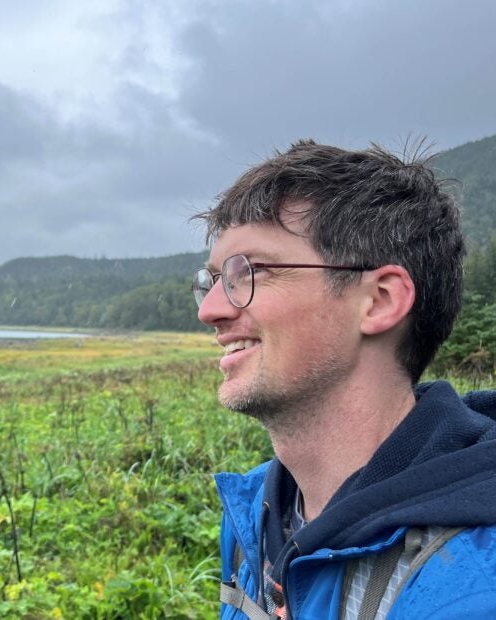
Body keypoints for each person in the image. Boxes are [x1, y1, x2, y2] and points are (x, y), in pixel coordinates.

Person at [191, 140, 496, 619]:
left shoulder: (468, 593)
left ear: (379, 300)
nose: (211, 311)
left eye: (251, 272)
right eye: (212, 281)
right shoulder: (254, 514)